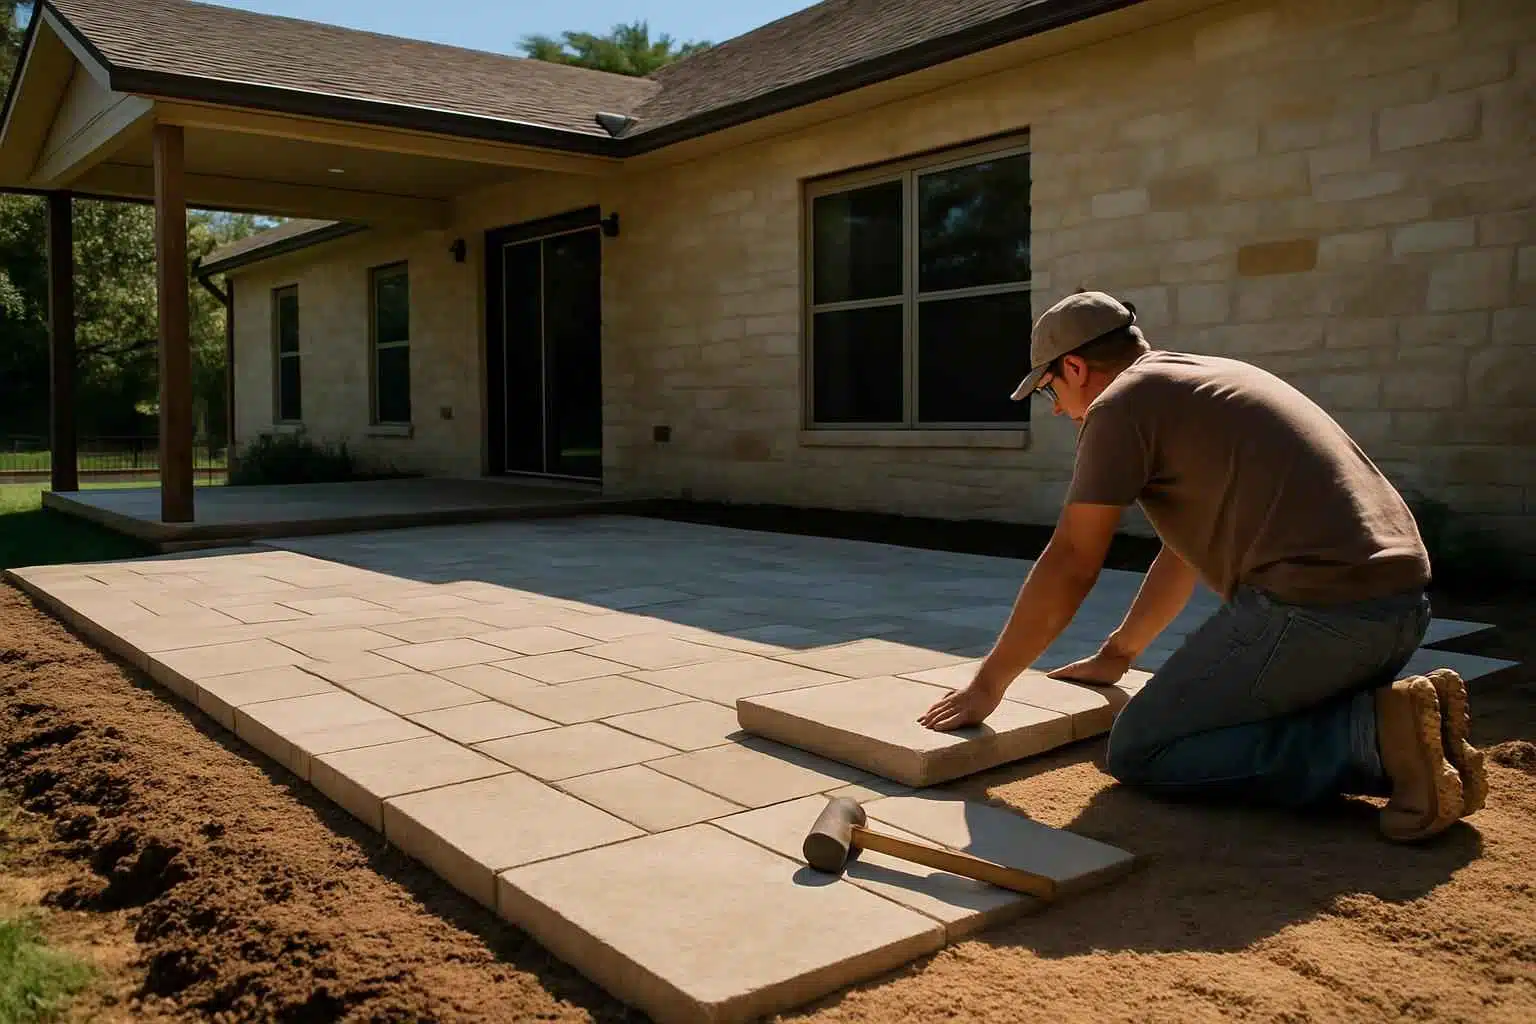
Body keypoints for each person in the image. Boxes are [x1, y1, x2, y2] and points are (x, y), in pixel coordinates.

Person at [917, 290, 1486, 842]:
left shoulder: (1121, 407)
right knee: (1227, 718)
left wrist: (989, 683)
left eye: (1049, 391)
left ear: (1074, 366)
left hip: (1317, 617)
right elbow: (1182, 552)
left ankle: (1375, 742)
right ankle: (1418, 728)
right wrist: (1119, 654)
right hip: (1399, 615)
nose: (1059, 408)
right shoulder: (1204, 380)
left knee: (1144, 747)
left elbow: (1071, 560)